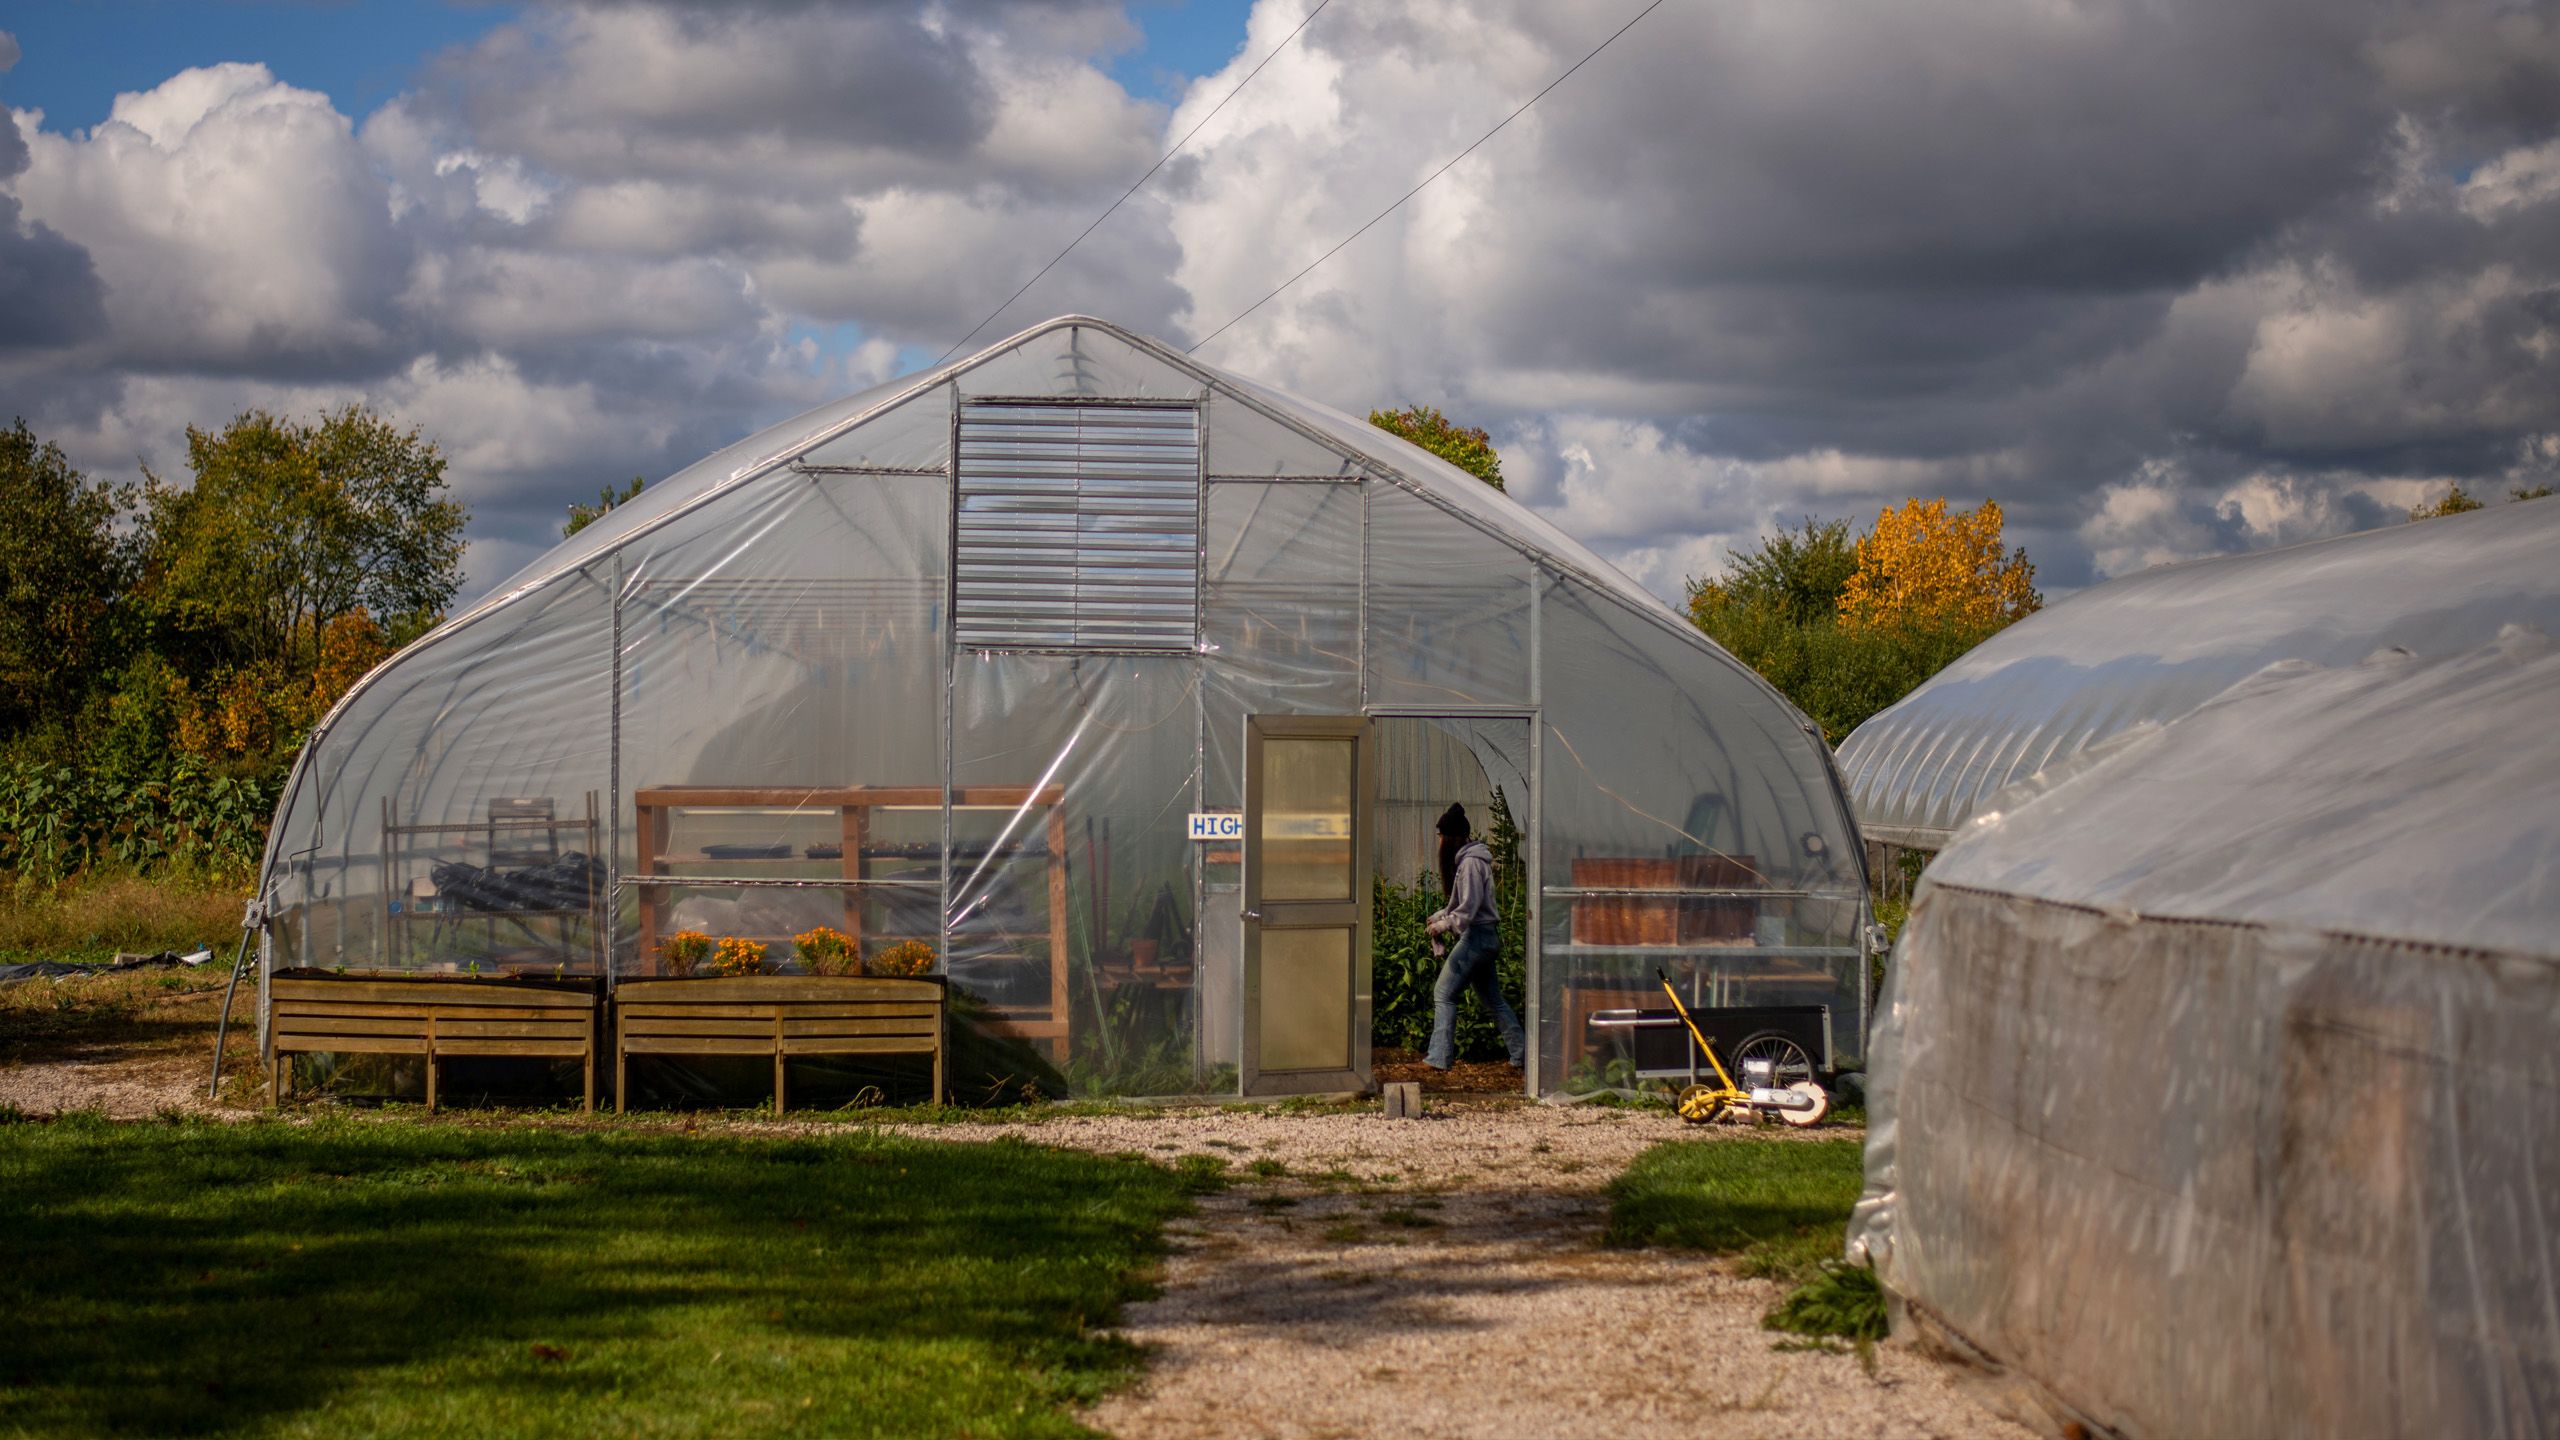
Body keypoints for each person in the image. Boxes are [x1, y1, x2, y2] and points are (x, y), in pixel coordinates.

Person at [1422, 801, 1526, 1071]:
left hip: (1476, 938)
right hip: (1487, 938)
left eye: (1441, 836)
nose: (1440, 842)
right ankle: (1523, 1054)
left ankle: (1438, 1058)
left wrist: (1444, 926)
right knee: (1494, 1001)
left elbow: (1468, 908)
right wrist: (1439, 916)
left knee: (1443, 993)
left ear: (1451, 837)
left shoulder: (1469, 864)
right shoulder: (1475, 861)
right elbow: (1462, 904)